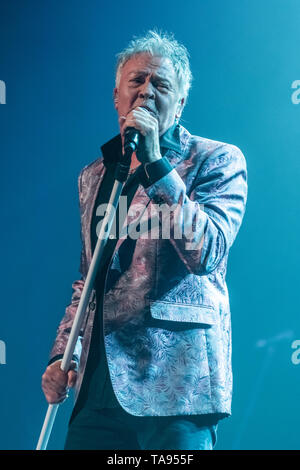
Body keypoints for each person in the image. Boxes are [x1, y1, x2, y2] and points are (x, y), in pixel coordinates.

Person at [41, 30, 248, 450]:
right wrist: (65, 354)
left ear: (181, 102)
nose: (146, 92)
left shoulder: (217, 159)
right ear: (116, 96)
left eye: (161, 84)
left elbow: (206, 252)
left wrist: (155, 163)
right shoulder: (94, 175)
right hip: (99, 388)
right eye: (136, 81)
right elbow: (90, 276)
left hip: (176, 389)